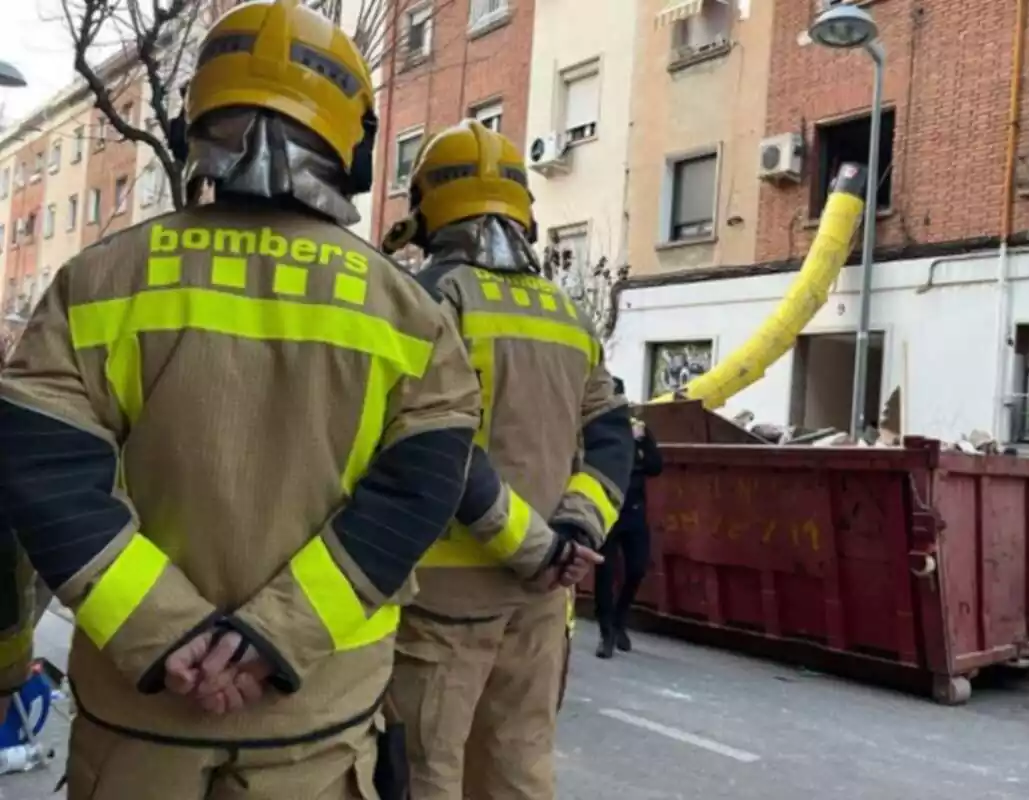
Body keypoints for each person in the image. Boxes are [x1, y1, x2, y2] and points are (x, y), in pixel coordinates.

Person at [0, 2, 532, 797]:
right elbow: (416, 493)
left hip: (140, 718)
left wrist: (168, 633)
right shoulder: (407, 314)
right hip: (314, 722)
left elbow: (48, 475)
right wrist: (269, 640)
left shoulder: (96, 282)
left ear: (193, 127)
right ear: (354, 146)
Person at [379, 119, 635, 800]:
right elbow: (612, 435)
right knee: (519, 772)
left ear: (426, 210)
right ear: (524, 211)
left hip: (439, 610)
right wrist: (575, 535)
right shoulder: (566, 313)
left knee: (425, 775)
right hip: (542, 608)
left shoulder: (423, 302)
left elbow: (437, 445)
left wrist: (532, 546)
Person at [594, 379, 663, 659]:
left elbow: (656, 467)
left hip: (633, 510)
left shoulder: (637, 428)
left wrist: (643, 440)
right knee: (605, 572)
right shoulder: (596, 427)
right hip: (606, 509)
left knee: (637, 568)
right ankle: (606, 633)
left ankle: (620, 620)